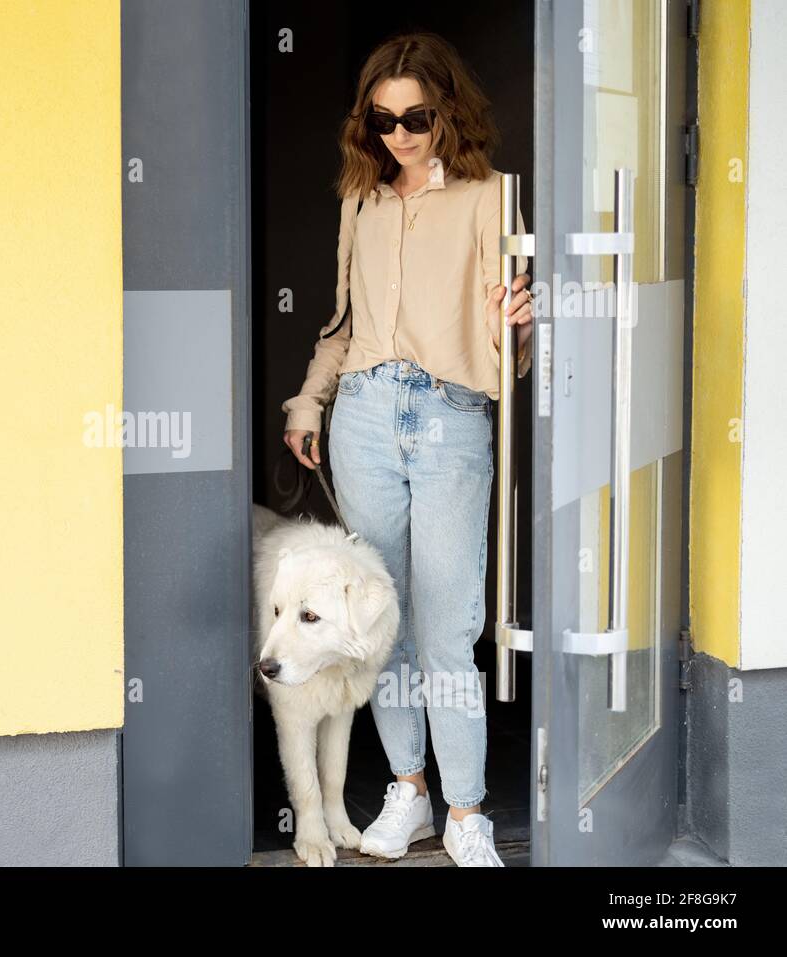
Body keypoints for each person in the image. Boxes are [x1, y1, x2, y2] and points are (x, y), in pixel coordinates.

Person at [281, 31, 533, 867]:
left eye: (417, 116)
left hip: (451, 414)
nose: (400, 134)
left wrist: (521, 324)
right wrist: (310, 400)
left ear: (446, 110)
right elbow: (342, 322)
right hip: (361, 415)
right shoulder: (364, 199)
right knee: (382, 625)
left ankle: (467, 810)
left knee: (449, 624)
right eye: (383, 120)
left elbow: (508, 352)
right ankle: (409, 793)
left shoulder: (492, 197)